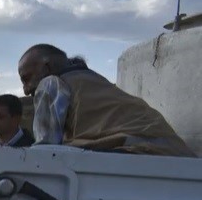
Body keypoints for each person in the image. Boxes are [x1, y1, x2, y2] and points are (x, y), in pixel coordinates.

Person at [17, 44, 195, 157]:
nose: (26, 90)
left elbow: (45, 152)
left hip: (136, 151)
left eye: (26, 78)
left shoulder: (51, 83)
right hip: (175, 154)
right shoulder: (94, 81)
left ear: (47, 67)